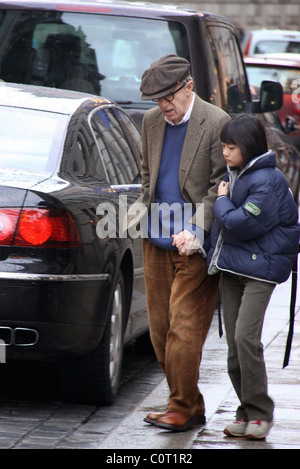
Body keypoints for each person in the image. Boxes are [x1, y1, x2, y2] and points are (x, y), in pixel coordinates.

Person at [127, 54, 230, 432]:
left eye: (169, 96)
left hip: (193, 246)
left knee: (183, 331)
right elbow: (146, 176)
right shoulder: (152, 122)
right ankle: (187, 404)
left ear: (189, 85)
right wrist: (137, 212)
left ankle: (182, 407)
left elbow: (219, 189)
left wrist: (196, 230)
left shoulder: (217, 122)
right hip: (155, 240)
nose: (164, 106)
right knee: (159, 332)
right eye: (157, 100)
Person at [207, 114, 300, 439]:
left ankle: (260, 413)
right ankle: (245, 411)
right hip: (234, 266)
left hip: (262, 269)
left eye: (231, 147)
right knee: (234, 344)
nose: (226, 154)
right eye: (223, 147)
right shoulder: (235, 173)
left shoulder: (268, 181)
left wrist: (220, 201)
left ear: (248, 147)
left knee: (246, 338)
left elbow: (237, 223)